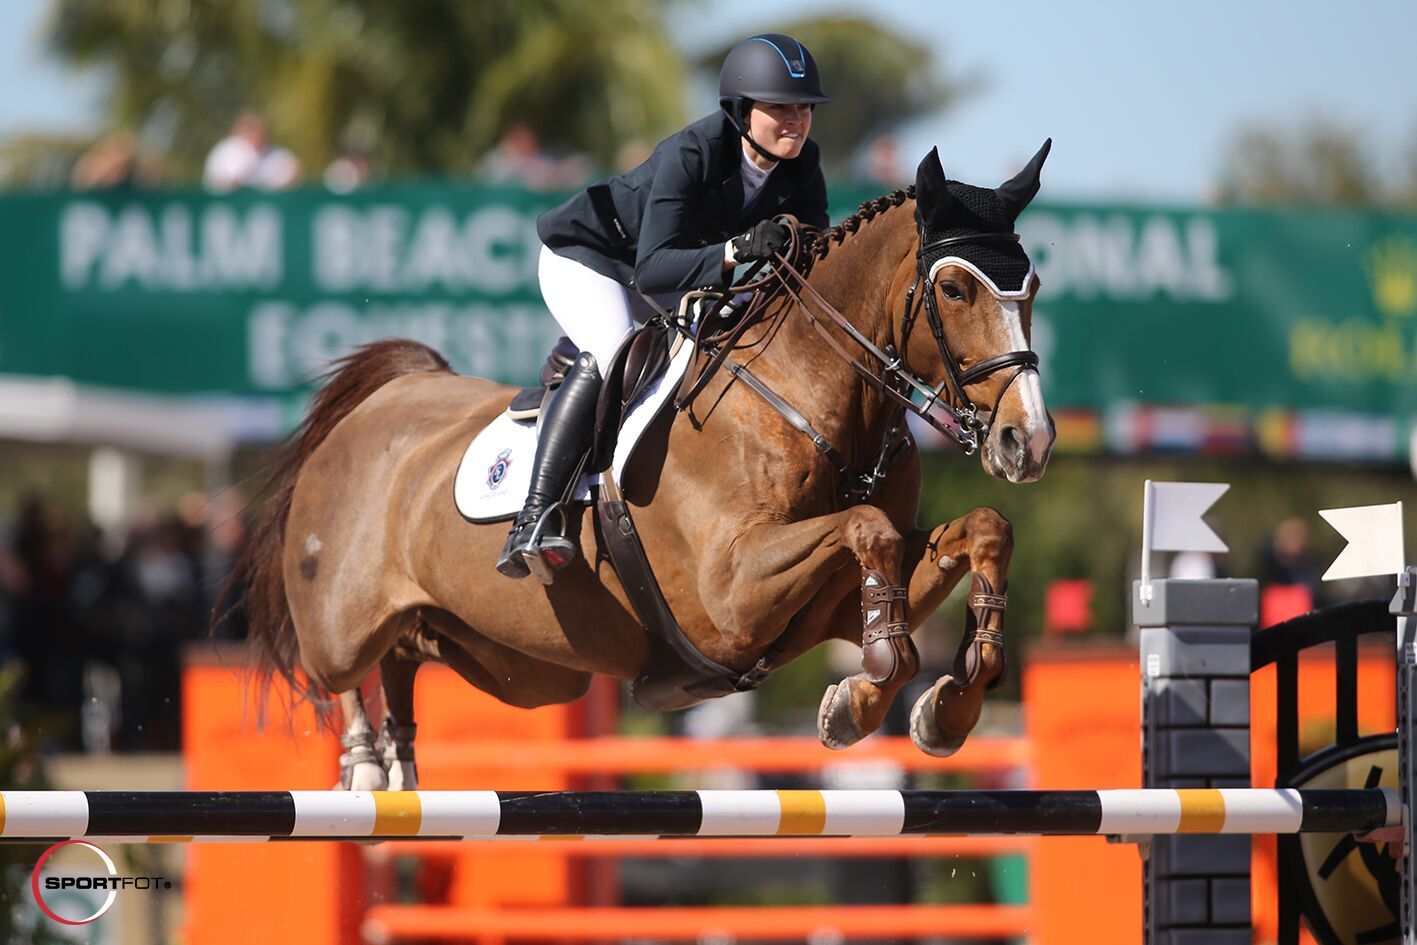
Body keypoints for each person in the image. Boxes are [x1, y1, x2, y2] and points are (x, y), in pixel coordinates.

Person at [496, 33, 831, 580]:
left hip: (667, 276)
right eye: (780, 108)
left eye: (804, 108)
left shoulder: (804, 163)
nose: (796, 120)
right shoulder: (693, 152)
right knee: (613, 350)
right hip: (590, 258)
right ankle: (534, 518)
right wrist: (737, 250)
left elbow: (813, 253)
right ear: (742, 111)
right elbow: (653, 267)